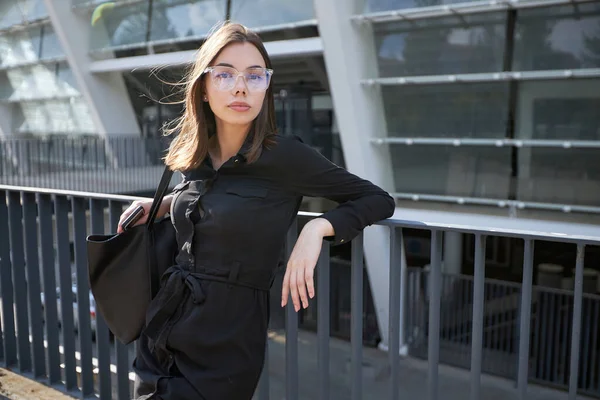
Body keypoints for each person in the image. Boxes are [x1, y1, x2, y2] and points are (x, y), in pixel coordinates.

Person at [117, 21, 395, 400]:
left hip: (227, 339)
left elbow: (377, 199)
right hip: (164, 323)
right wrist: (166, 203)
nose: (241, 87)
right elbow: (206, 199)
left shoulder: (284, 155)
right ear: (202, 87)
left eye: (255, 75)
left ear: (267, 86)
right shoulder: (197, 152)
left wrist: (318, 229)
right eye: (225, 74)